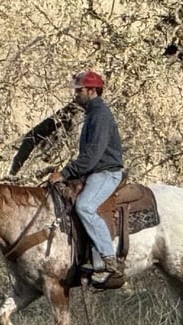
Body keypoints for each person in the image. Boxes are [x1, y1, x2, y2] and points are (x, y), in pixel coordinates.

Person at [49, 70, 125, 285]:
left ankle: (108, 260)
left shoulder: (100, 114)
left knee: (84, 207)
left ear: (92, 90)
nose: (75, 95)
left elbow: (93, 154)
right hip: (95, 172)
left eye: (79, 90)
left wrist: (65, 173)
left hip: (106, 173)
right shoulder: (92, 113)